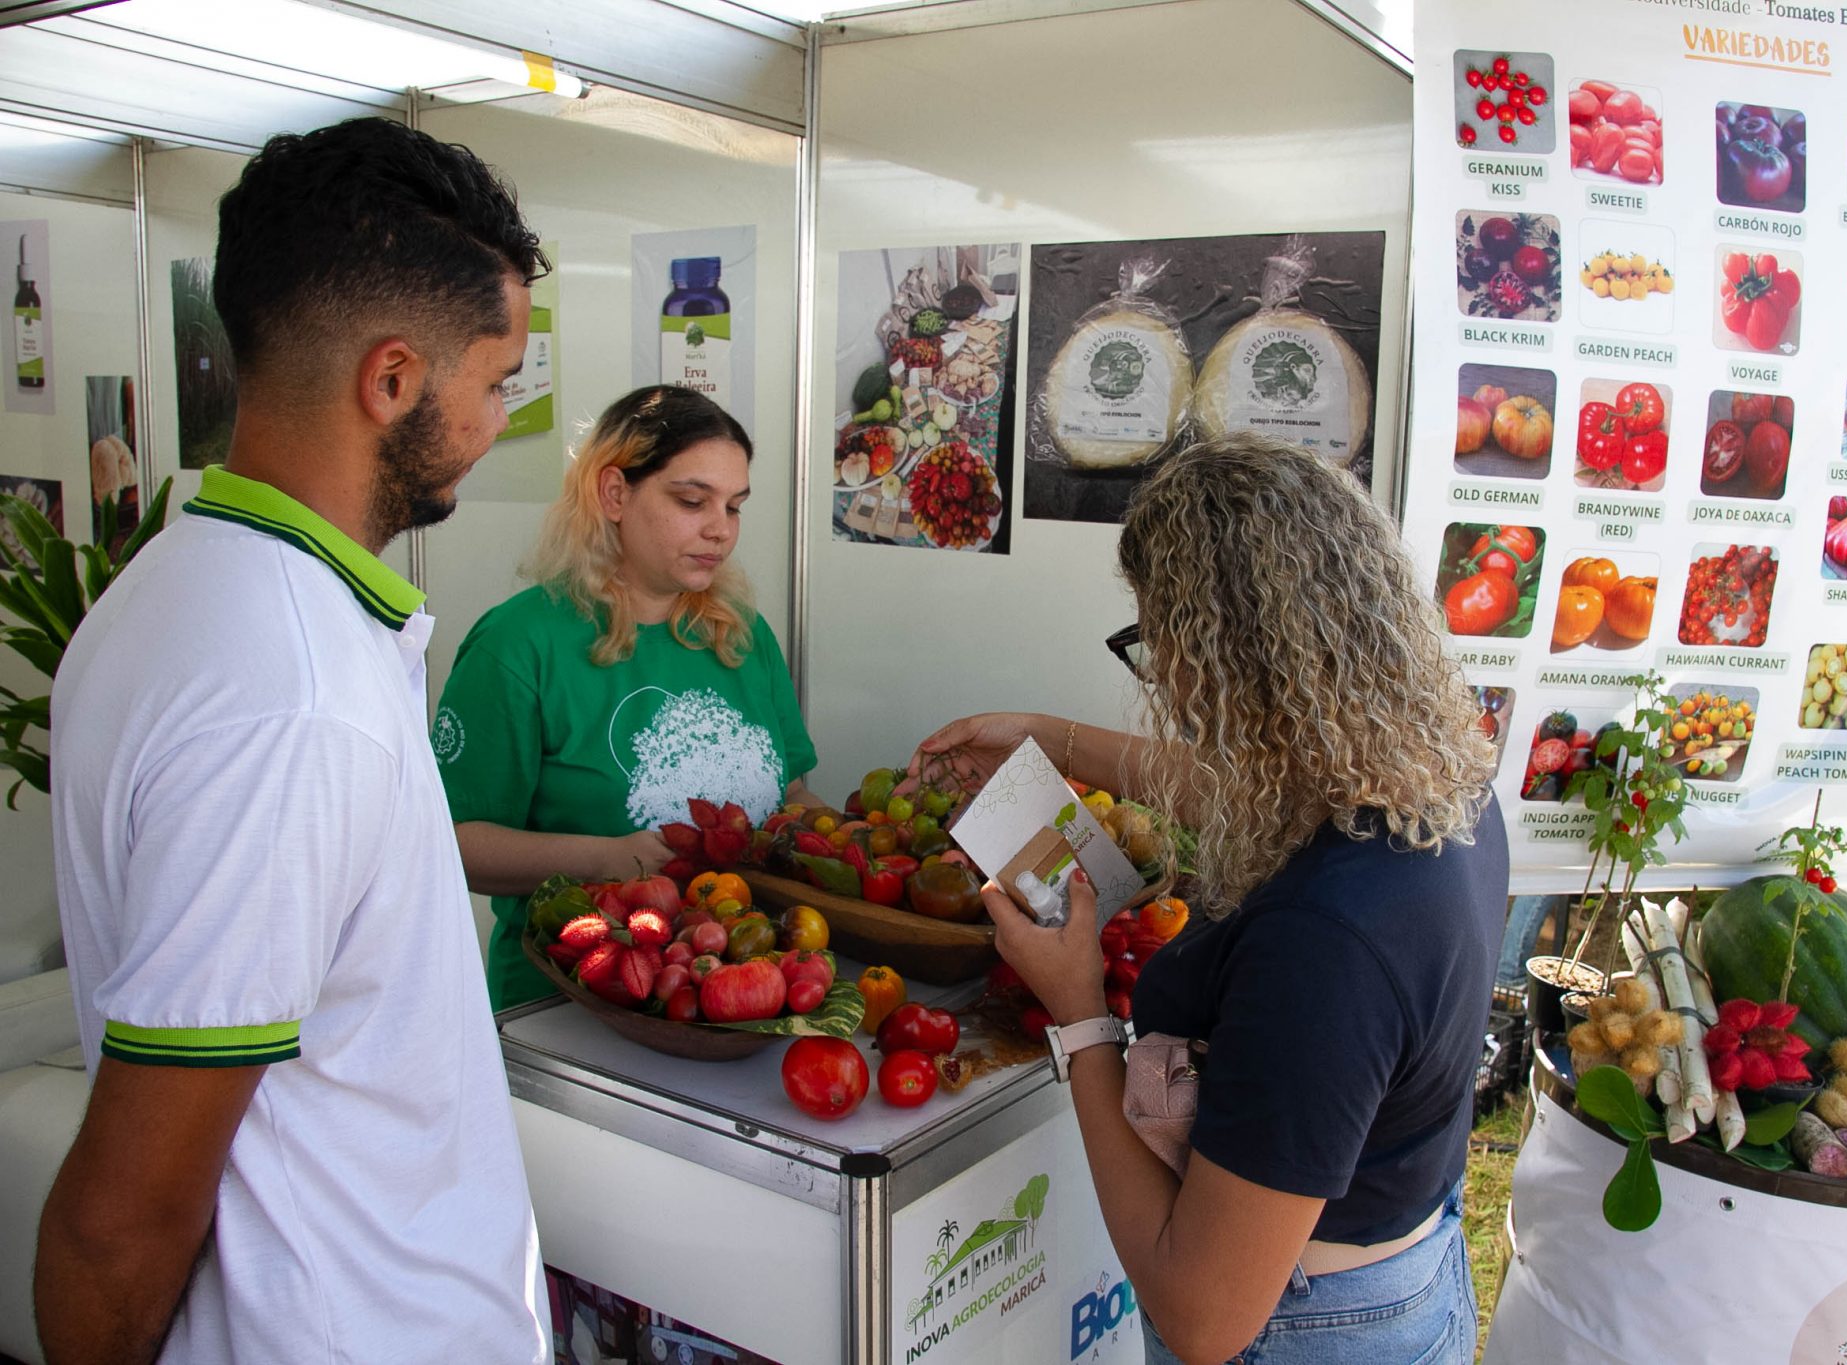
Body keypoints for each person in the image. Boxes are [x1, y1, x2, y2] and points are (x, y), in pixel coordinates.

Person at [35, 118, 551, 1365]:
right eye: (494, 383)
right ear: (392, 381)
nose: (497, 420)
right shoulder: (288, 697)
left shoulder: (192, 588)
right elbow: (122, 1221)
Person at [909, 435, 1508, 1365]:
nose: (1167, 685)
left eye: (1160, 644)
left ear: (1230, 660)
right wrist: (1051, 738)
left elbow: (1202, 1317)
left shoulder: (1327, 945)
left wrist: (1075, 1012)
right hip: (1405, 1270)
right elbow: (1257, 783)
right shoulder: (1441, 786)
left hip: (1304, 1324)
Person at [435, 383, 819, 1010]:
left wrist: (858, 841)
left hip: (738, 990)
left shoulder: (742, 636)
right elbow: (454, 839)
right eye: (693, 500)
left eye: (735, 506)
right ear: (614, 494)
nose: (720, 531)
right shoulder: (519, 645)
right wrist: (607, 858)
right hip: (568, 1006)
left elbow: (792, 795)